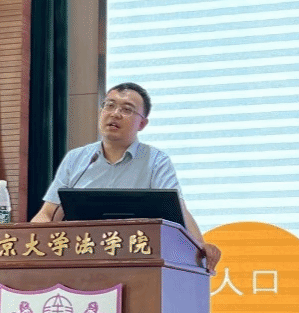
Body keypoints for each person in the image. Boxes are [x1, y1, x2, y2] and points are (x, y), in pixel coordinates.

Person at [31, 82, 221, 272]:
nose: (115, 114)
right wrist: (30, 241)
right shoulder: (76, 159)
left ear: (142, 124)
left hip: (137, 260)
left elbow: (178, 210)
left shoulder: (156, 161)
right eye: (109, 105)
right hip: (82, 257)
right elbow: (48, 213)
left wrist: (200, 245)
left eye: (127, 109)